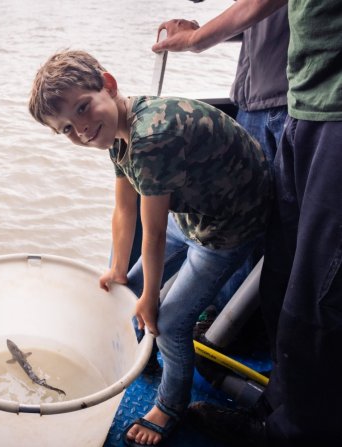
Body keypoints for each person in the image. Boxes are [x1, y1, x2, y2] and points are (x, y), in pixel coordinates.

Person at [28, 49, 272, 446]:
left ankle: (170, 405)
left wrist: (152, 301)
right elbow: (124, 210)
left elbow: (153, 232)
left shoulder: (149, 138)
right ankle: (146, 356)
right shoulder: (118, 134)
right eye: (67, 129)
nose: (81, 129)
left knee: (170, 321)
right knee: (128, 290)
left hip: (228, 223)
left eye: (83, 108)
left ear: (108, 84)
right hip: (193, 208)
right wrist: (120, 270)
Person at [153, 0, 342, 445]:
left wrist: (196, 39)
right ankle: (281, 402)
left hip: (330, 112)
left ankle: (294, 431)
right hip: (306, 103)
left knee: (320, 286)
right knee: (281, 267)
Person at [155, 5, 289, 311]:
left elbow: (259, 8)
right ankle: (224, 313)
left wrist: (196, 38)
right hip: (255, 99)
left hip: (281, 105)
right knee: (248, 215)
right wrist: (202, 30)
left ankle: (234, 322)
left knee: (254, 223)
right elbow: (265, 21)